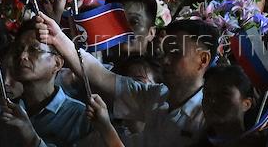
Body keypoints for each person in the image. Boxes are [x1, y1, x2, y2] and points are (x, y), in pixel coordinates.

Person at [35, 14, 213, 146]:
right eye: (165, 52)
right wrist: (58, 38)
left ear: (203, 60)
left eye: (176, 53)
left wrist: (106, 127)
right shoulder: (158, 95)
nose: (165, 60)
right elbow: (100, 76)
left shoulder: (209, 118)